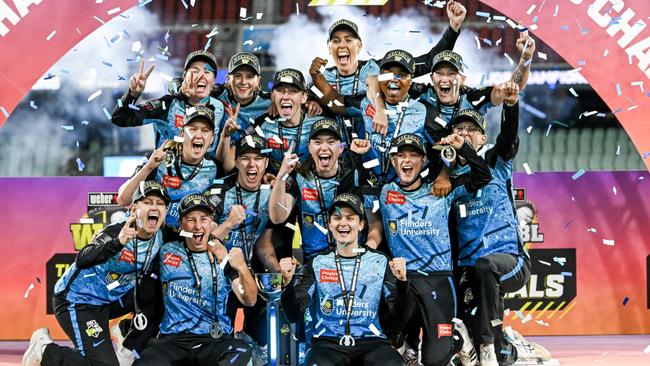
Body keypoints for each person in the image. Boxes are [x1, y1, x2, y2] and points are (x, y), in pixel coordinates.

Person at [22, 182, 171, 366]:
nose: (155, 207)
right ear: (134, 210)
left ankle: (125, 336)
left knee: (160, 291)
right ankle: (45, 350)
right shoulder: (116, 231)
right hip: (78, 302)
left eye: (160, 203)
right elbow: (83, 259)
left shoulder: (160, 233)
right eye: (148, 202)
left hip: (111, 300)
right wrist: (118, 242)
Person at [447, 86, 543, 366]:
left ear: (483, 137)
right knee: (490, 353)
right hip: (469, 270)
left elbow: (509, 139)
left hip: (510, 262)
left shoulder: (496, 161)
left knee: (485, 266)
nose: (464, 133)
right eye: (459, 128)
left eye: (471, 129)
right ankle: (510, 348)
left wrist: (511, 107)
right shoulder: (449, 177)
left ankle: (488, 346)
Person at [379, 133, 492, 366]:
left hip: (438, 279)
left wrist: (464, 148)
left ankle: (457, 339)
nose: (406, 161)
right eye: (400, 155)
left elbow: (484, 176)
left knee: (434, 361)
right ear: (393, 161)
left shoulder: (441, 190)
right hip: (404, 280)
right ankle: (403, 345)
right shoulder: (384, 192)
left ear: (423, 162)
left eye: (413, 155)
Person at [279, 193, 412, 366]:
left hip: (372, 343)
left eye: (350, 218)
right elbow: (293, 315)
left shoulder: (380, 261)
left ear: (361, 224)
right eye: (337, 218)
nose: (343, 223)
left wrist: (402, 283)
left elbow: (401, 317)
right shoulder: (317, 263)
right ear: (330, 224)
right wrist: (287, 284)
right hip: (327, 344)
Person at [308, 0, 467, 143]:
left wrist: (453, 28)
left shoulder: (380, 68)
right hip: (337, 151)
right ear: (329, 47)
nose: (342, 45)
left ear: (360, 45)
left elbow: (428, 61)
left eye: (348, 40)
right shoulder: (322, 77)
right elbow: (321, 101)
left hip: (375, 149)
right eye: (336, 41)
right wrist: (311, 100)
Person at [133, 194, 257, 366]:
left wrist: (242, 267)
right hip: (173, 341)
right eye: (191, 220)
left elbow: (249, 300)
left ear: (210, 222)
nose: (198, 226)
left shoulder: (223, 257)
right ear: (181, 223)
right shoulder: (166, 249)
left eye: (203, 219)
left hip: (214, 340)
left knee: (241, 350)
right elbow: (145, 225)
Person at [207, 133, 281, 364]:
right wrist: (228, 224)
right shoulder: (219, 190)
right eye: (245, 158)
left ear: (266, 163)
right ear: (237, 162)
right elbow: (203, 240)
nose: (252, 164)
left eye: (258, 159)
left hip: (250, 266)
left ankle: (255, 346)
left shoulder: (271, 193)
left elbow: (265, 244)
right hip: (219, 267)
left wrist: (279, 272)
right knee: (221, 326)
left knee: (263, 317)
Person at [268, 119, 382, 262]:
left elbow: (374, 223)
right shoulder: (300, 177)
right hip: (315, 261)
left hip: (353, 258)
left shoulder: (357, 172)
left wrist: (368, 250)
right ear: (309, 147)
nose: (324, 148)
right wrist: (281, 175)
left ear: (341, 148)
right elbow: (277, 217)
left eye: (331, 142)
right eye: (317, 142)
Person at [111, 50, 225, 160]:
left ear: (214, 80)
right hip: (166, 177)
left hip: (205, 177)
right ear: (184, 77)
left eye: (207, 72)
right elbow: (119, 118)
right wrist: (132, 94)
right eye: (195, 71)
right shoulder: (167, 105)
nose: (201, 76)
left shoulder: (219, 106)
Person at [117, 106, 218, 229]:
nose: (198, 135)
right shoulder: (160, 158)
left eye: (205, 130)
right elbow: (122, 199)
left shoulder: (213, 169)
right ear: (182, 134)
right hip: (141, 231)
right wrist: (148, 167)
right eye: (192, 129)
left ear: (212, 138)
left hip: (178, 237)